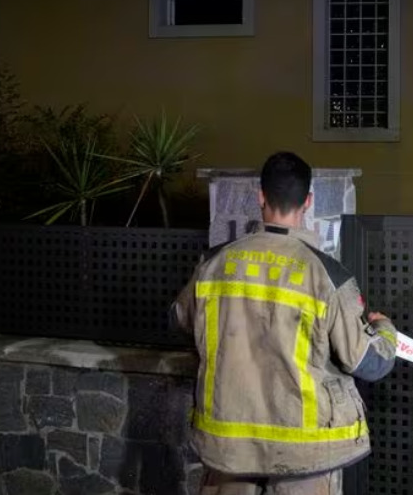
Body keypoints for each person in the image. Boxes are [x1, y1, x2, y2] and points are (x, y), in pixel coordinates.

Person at [170, 151, 399, 495]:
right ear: (307, 202)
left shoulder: (214, 264)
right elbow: (369, 361)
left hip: (228, 447)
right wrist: (384, 329)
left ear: (260, 196)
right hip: (302, 453)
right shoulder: (326, 275)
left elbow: (177, 321)